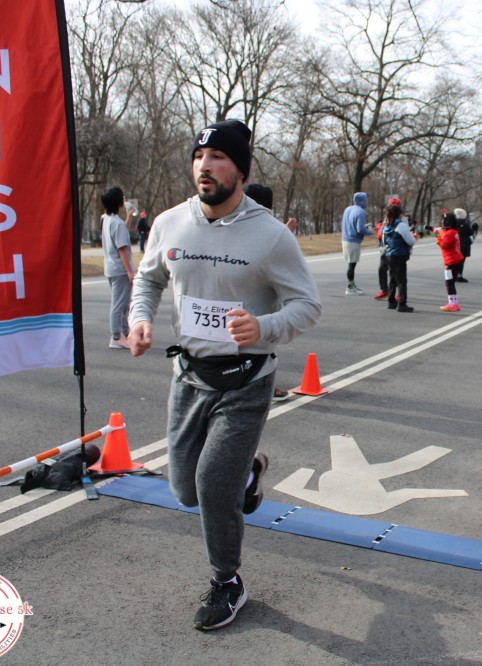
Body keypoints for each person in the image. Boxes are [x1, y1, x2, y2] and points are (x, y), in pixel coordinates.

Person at [127, 119, 322, 631]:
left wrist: (262, 326)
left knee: (213, 487)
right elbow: (148, 279)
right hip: (189, 376)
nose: (204, 166)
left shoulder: (270, 236)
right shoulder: (170, 223)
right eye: (199, 157)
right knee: (184, 490)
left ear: (240, 170)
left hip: (246, 379)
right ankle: (248, 472)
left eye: (217, 157)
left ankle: (227, 581)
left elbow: (307, 305)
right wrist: (140, 319)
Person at [242, 183, 296, 403]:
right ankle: (265, 385)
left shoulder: (231, 223)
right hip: (257, 298)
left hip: (229, 298)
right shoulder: (267, 230)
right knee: (263, 339)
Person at [100, 186, 135, 350]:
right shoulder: (117, 223)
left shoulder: (107, 220)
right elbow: (122, 249)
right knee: (119, 305)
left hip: (110, 268)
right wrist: (130, 271)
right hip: (120, 269)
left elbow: (121, 234)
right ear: (119, 203)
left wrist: (128, 218)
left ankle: (124, 333)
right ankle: (116, 336)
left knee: (122, 303)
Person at [383, 202, 416, 312]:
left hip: (389, 255)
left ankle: (391, 301)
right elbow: (410, 241)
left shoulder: (387, 226)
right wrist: (415, 237)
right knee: (402, 281)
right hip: (399, 254)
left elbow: (384, 241)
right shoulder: (401, 225)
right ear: (400, 215)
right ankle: (402, 304)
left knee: (392, 279)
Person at [340, 192, 372, 294]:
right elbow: (360, 229)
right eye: (366, 199)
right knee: (352, 265)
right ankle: (350, 288)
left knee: (351, 263)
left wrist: (364, 226)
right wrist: (369, 232)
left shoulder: (348, 209)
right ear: (362, 201)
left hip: (345, 239)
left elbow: (350, 224)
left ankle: (352, 285)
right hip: (353, 241)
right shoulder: (361, 212)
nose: (366, 201)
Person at [435, 211, 465, 312]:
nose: (442, 222)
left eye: (443, 220)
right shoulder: (453, 231)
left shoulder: (449, 233)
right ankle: (454, 303)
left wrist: (438, 237)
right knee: (451, 282)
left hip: (452, 261)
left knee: (449, 283)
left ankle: (452, 304)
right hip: (456, 260)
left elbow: (444, 245)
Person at [455, 208, 473, 282]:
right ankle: (459, 275)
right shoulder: (465, 224)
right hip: (464, 244)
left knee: (455, 260)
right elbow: (470, 232)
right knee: (461, 260)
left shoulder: (454, 223)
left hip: (455, 243)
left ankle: (454, 275)